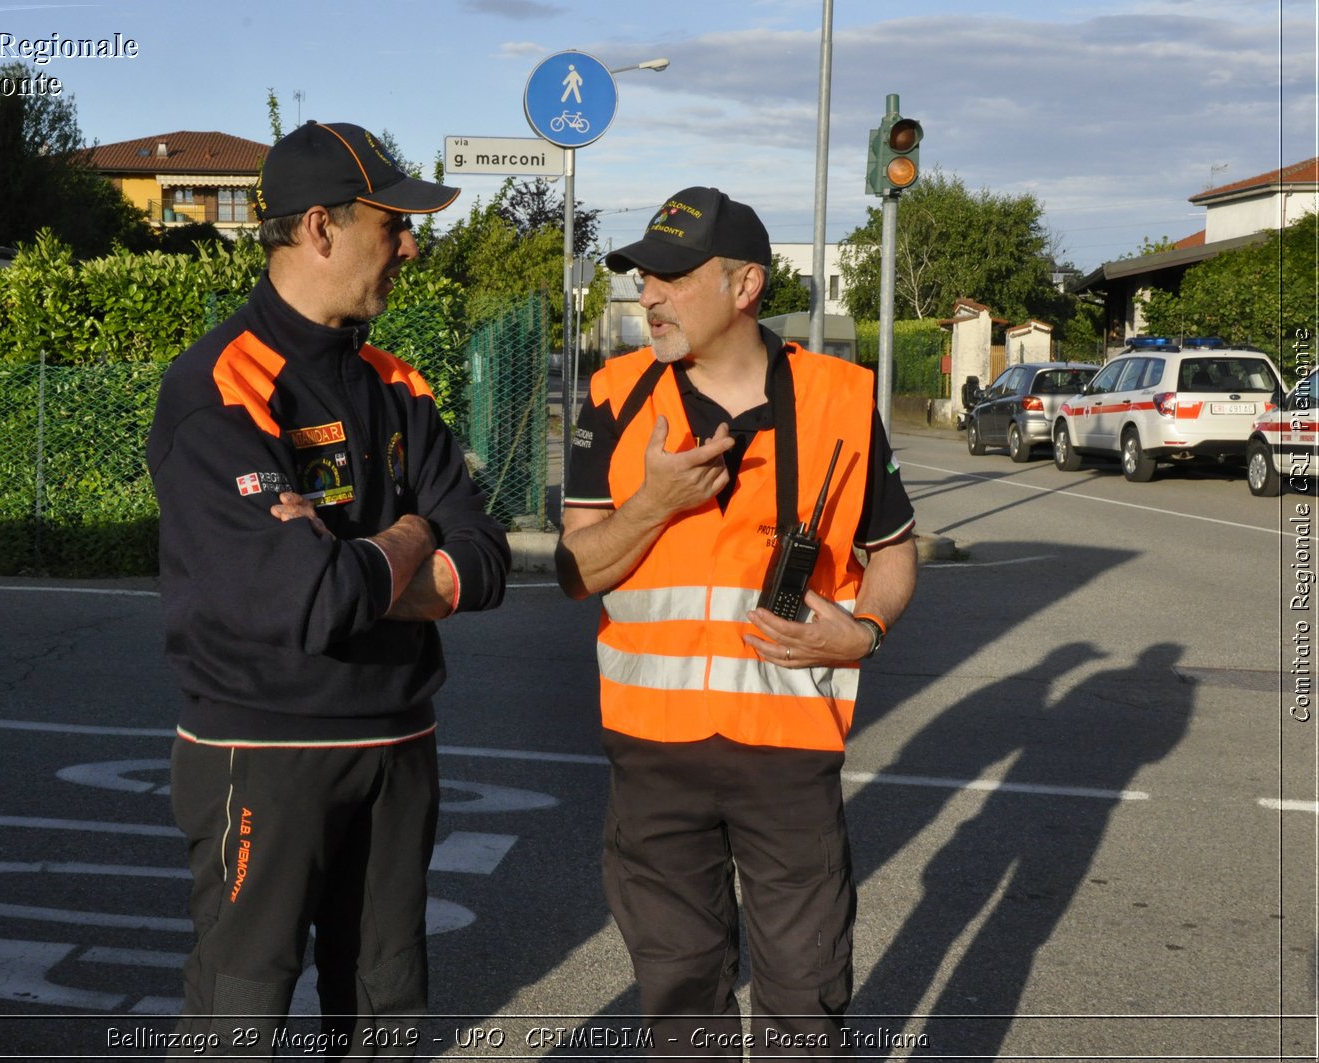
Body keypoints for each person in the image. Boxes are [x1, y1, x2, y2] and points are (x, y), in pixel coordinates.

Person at [146, 120, 510, 1057]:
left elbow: (486, 557)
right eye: (393, 225)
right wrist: (413, 532)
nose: (412, 244)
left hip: (398, 739)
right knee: (242, 1010)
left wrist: (365, 558)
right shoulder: (218, 389)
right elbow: (310, 600)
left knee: (389, 1003)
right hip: (263, 744)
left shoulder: (398, 384)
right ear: (319, 228)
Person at [555, 187, 918, 1057]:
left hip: (790, 754)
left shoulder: (839, 399)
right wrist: (652, 504)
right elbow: (576, 570)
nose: (649, 295)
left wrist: (863, 631)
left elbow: (897, 554)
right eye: (644, 277)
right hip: (653, 757)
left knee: (805, 997)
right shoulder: (613, 397)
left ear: (746, 284)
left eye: (674, 277)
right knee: (680, 999)